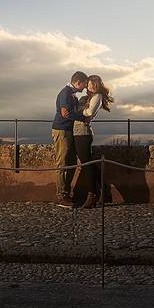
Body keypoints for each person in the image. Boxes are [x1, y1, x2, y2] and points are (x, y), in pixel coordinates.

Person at [73, 75, 114, 208]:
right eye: (88, 84)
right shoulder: (87, 97)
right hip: (78, 132)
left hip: (83, 133)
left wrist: (77, 111)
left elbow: (89, 112)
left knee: (87, 165)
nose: (88, 86)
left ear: (96, 85)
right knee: (88, 163)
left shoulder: (97, 97)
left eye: (91, 84)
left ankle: (92, 195)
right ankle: (104, 190)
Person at [52, 71, 88, 207]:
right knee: (61, 163)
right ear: (78, 82)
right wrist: (83, 118)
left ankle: (66, 193)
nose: (84, 87)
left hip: (67, 130)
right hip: (61, 130)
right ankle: (61, 196)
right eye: (84, 84)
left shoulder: (71, 94)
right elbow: (65, 114)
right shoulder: (66, 93)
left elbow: (70, 112)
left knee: (71, 161)